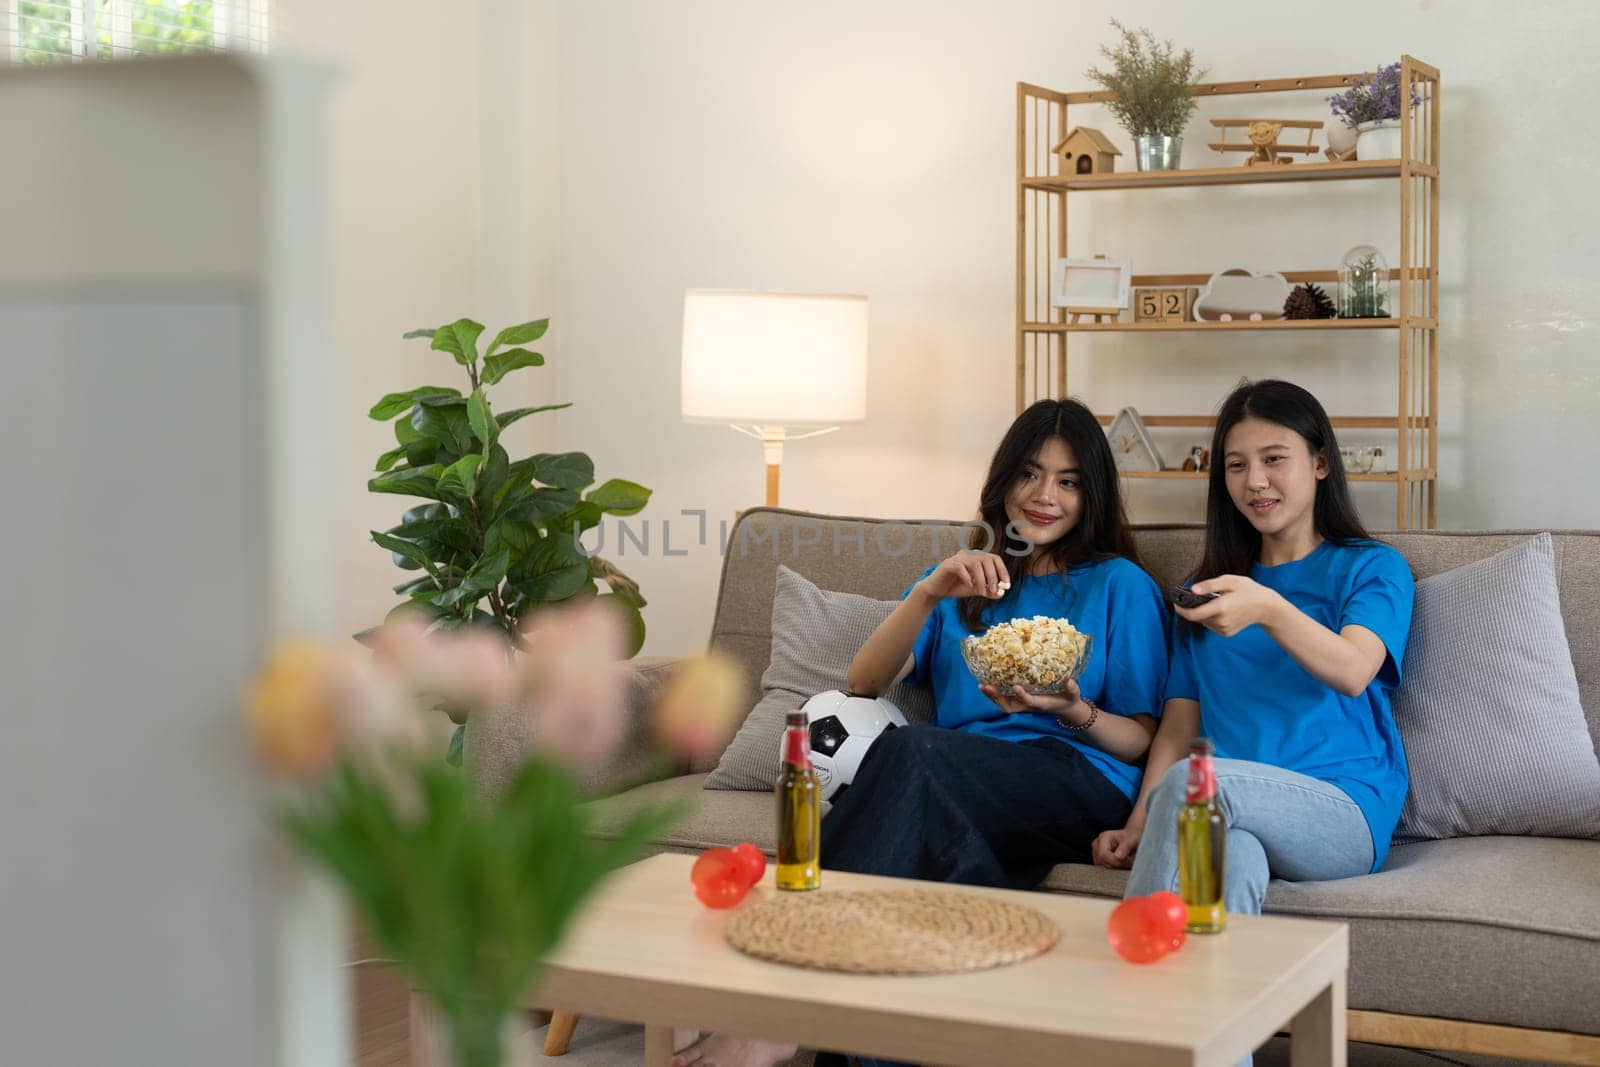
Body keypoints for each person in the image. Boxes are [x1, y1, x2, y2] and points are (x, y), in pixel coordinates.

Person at [672, 397, 1170, 1067]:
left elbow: (1141, 737)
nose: (1045, 495)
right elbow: (863, 679)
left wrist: (1070, 711)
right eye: (1029, 473)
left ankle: (778, 1007)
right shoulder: (968, 579)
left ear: (1093, 494)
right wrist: (929, 591)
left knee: (906, 753)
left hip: (1077, 774)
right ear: (1003, 482)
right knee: (944, 873)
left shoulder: (1120, 585)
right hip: (960, 784)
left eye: (1069, 480)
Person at [1095, 378, 1415, 926]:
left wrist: (1268, 608)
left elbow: (1354, 670)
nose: (1256, 481)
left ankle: (1125, 977)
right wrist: (1139, 825)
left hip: (1342, 810)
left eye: (1274, 459)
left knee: (1200, 789)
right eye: (1236, 465)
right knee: (1226, 857)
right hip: (1227, 808)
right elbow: (1180, 724)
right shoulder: (1207, 587)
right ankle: (1223, 1007)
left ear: (1319, 464)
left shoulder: (1372, 567)